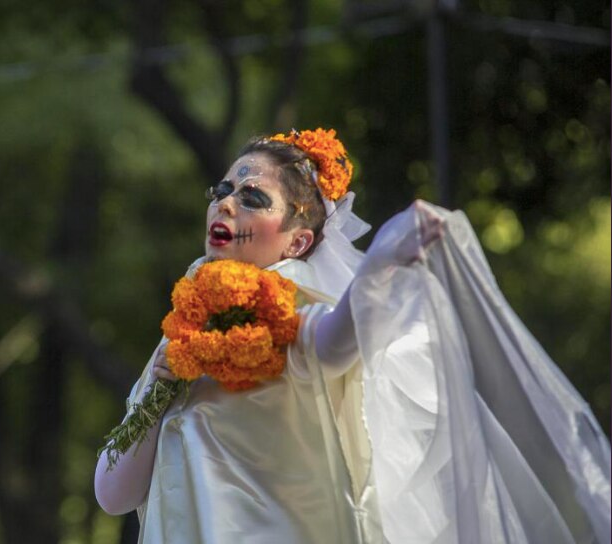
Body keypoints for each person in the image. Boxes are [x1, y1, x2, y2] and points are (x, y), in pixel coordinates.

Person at [95, 129, 611, 544]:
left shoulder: (291, 307)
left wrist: (382, 264)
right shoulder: (185, 327)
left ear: (297, 242)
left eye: (253, 196)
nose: (227, 205)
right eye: (223, 190)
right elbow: (113, 494)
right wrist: (156, 400)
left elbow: (333, 342)